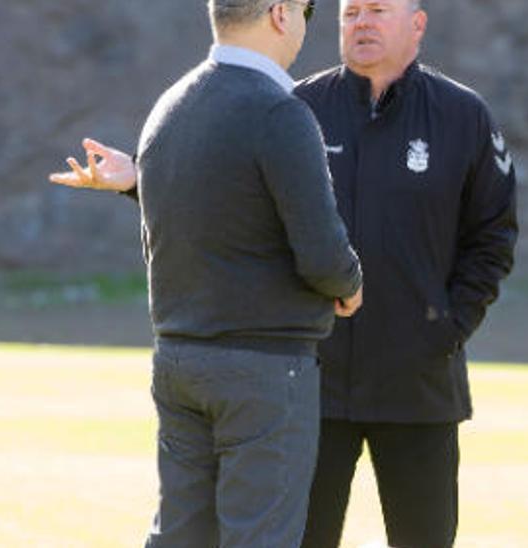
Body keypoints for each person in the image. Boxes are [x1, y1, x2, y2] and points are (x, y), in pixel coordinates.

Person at [54, 1, 517, 545]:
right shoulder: (294, 106)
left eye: (377, 10)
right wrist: (139, 182)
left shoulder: (463, 115)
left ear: (417, 23)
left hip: (418, 384)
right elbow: (232, 203)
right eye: (349, 13)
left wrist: (446, 327)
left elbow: (492, 238)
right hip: (310, 381)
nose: (360, 22)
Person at [52, 0, 364, 545]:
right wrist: (350, 284)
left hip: (179, 357)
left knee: (180, 535)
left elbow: (191, 216)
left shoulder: (171, 104)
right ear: (279, 13)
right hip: (264, 369)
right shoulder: (279, 112)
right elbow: (322, 253)